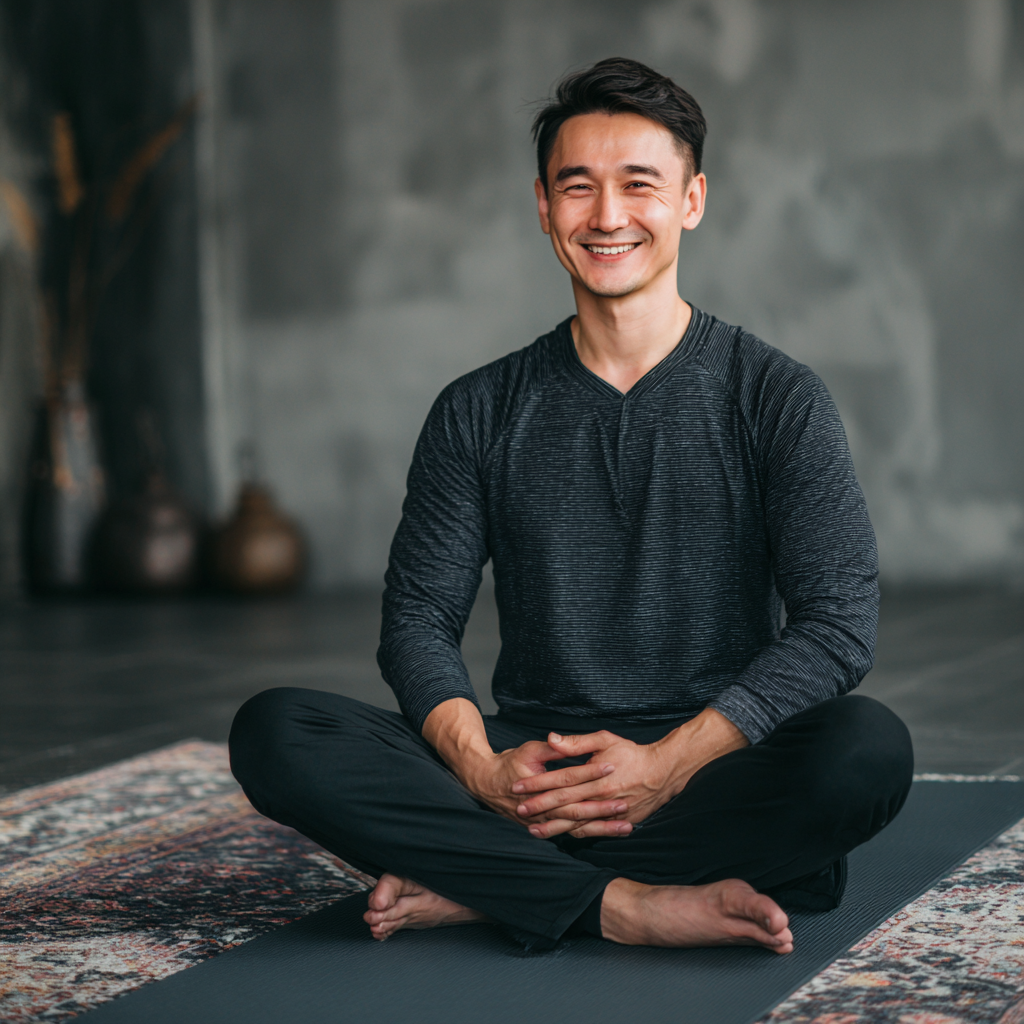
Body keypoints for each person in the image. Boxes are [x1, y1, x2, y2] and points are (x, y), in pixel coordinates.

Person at [229, 57, 913, 953]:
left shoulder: (776, 397)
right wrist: (483, 772)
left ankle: (490, 886)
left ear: (692, 201)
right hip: (533, 768)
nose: (608, 216)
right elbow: (418, 622)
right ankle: (625, 903)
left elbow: (837, 625)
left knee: (865, 751)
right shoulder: (478, 408)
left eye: (640, 185)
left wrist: (664, 769)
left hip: (709, 761)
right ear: (544, 208)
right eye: (577, 187)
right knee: (276, 730)